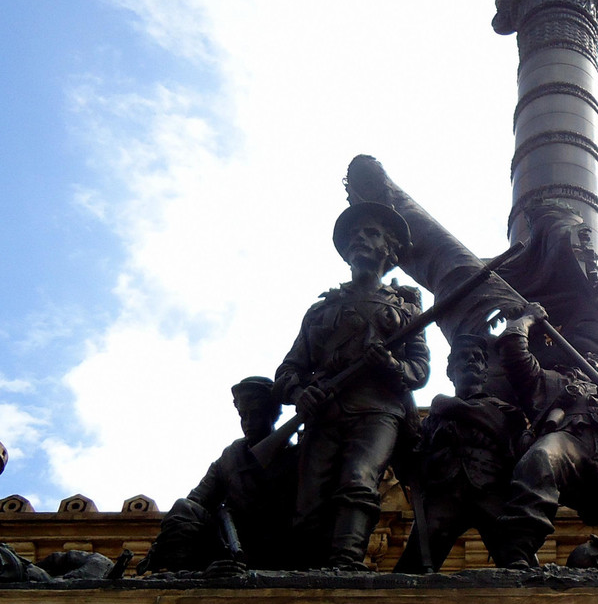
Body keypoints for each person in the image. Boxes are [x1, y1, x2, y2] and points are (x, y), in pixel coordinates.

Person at [273, 201, 430, 570]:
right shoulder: (320, 311)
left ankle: (346, 563)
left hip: (380, 411)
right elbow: (288, 371)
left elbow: (419, 370)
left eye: (372, 233)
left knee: (360, 479)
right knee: (309, 499)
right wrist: (299, 393)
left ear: (389, 249)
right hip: (325, 411)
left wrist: (390, 364)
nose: (360, 238)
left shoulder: (407, 311)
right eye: (355, 235)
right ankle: (304, 573)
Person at [492, 303, 598, 574]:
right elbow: (513, 349)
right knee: (540, 458)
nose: (592, 361)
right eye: (586, 357)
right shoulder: (545, 379)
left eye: (597, 361)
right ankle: (517, 552)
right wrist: (527, 319)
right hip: (567, 436)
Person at [394, 333, 529, 574]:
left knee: (519, 561)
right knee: (412, 566)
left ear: (485, 372)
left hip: (491, 491)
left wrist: (448, 405)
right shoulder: (432, 421)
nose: (471, 361)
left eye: (477, 358)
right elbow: (415, 458)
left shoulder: (504, 410)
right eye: (463, 357)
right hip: (443, 493)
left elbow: (517, 449)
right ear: (450, 370)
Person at [137, 376, 297, 574]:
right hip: (234, 542)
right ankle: (185, 575)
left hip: (282, 541)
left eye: (255, 414)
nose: (248, 422)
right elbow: (197, 500)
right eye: (243, 415)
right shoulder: (230, 457)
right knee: (184, 507)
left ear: (273, 414)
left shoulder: (297, 456)